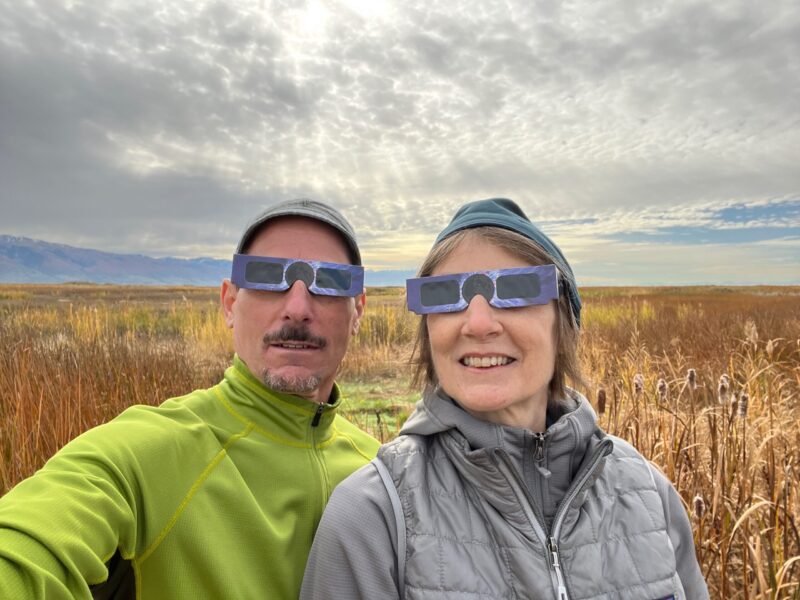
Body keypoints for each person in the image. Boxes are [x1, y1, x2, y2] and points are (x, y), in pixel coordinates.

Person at [301, 198, 708, 600]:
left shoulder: (648, 493)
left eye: (516, 289)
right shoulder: (374, 517)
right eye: (444, 294)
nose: (478, 323)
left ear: (562, 322)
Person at [0, 199, 380, 599]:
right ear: (230, 303)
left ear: (358, 311)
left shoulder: (381, 472)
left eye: (332, 281)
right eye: (268, 276)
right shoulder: (149, 454)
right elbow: (25, 552)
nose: (298, 308)